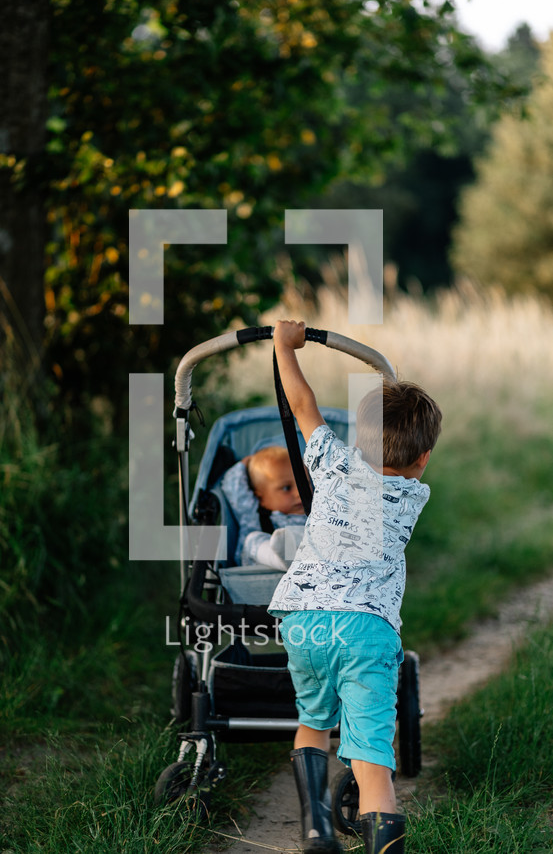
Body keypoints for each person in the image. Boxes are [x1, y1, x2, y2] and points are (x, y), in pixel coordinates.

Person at [268, 320, 442, 854]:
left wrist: (283, 346)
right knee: (372, 764)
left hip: (304, 622)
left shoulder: (331, 462)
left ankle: (317, 827)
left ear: (356, 439)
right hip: (366, 632)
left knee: (313, 722)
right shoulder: (414, 495)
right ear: (423, 459)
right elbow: (395, 469)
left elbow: (302, 404)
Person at [220, 445, 307, 568]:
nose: (299, 493)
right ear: (261, 498)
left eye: (305, 484)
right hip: (260, 563)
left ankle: (293, 556)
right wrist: (244, 465)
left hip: (309, 558)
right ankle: (279, 558)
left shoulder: (316, 511)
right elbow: (232, 488)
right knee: (252, 539)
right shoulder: (254, 515)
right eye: (286, 488)